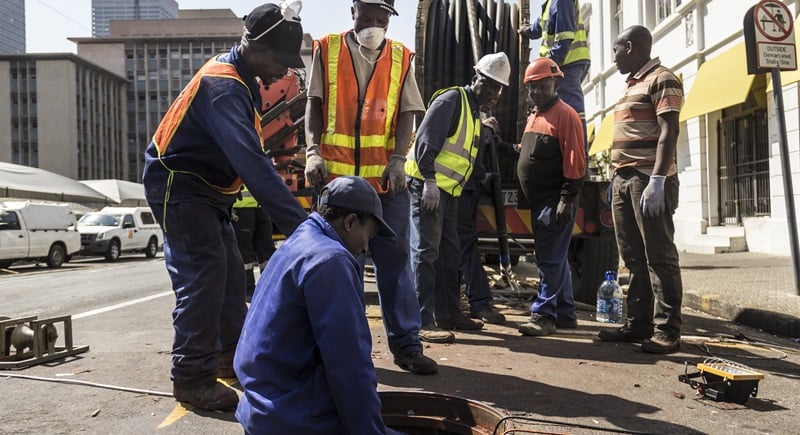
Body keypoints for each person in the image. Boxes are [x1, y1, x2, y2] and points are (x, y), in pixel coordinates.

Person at [141, 2, 308, 411]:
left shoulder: (242, 79)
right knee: (205, 275)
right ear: (253, 45)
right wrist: (303, 228)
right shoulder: (225, 87)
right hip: (180, 186)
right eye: (279, 60)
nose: (283, 72)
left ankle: (228, 355)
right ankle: (192, 378)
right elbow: (252, 164)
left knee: (232, 272)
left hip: (206, 189)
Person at [304, 0, 437, 374]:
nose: (374, 25)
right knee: (339, 267)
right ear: (352, 12)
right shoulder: (326, 49)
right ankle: (343, 351)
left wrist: (398, 159)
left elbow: (409, 111)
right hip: (339, 185)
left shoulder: (401, 57)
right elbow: (313, 104)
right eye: (367, 17)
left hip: (385, 184)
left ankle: (407, 346)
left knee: (394, 263)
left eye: (382, 19)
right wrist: (313, 151)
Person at [235, 176, 403, 434]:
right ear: (350, 222)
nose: (365, 248)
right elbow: (349, 367)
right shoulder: (331, 261)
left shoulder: (297, 243)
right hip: (294, 417)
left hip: (261, 408)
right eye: (369, 235)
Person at [406, 53, 510, 342]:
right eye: (488, 84)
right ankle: (422, 320)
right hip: (428, 187)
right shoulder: (451, 100)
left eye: (498, 88)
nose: (493, 92)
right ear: (475, 77)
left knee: (449, 254)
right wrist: (428, 180)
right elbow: (426, 140)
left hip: (449, 193)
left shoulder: (476, 113)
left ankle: (448, 313)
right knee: (426, 253)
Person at [597, 25, 684, 354]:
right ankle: (638, 324)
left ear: (630, 47)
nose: (614, 58)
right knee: (632, 257)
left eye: (616, 51)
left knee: (659, 257)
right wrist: (615, 179)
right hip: (624, 179)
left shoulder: (663, 78)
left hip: (648, 179)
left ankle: (668, 331)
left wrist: (658, 180)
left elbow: (669, 131)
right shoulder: (629, 85)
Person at [515, 57, 586, 337]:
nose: (536, 92)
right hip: (540, 201)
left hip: (554, 200)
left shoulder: (565, 114)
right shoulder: (536, 115)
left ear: (555, 83)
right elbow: (528, 150)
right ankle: (566, 313)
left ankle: (544, 314)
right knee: (556, 258)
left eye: (541, 86)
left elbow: (575, 159)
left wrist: (567, 198)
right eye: (531, 87)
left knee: (548, 259)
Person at [519, 0, 591, 148]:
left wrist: (548, 68)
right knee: (557, 108)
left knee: (572, 111)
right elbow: (540, 25)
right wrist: (526, 31)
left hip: (568, 62)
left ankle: (579, 160)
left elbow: (564, 39)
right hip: (564, 63)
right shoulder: (550, 3)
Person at [231, 188, 275, 301]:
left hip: (261, 206)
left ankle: (269, 287)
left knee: (267, 251)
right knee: (245, 253)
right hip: (241, 207)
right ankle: (248, 290)